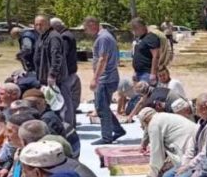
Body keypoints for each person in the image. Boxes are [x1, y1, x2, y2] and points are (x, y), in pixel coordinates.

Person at [84, 16, 124, 144]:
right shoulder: (106, 36)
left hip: (105, 79)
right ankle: (117, 130)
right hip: (108, 77)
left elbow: (103, 59)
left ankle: (106, 137)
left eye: (86, 28)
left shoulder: (103, 38)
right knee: (103, 107)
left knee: (101, 108)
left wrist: (95, 78)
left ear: (92, 25)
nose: (85, 31)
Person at [141, 106, 199, 177]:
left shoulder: (154, 123)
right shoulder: (163, 116)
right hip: (196, 142)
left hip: (189, 149)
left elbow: (156, 150)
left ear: (145, 120)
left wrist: (153, 172)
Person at [51, 17, 81, 128]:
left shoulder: (64, 37)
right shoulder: (67, 35)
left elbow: (62, 55)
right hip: (69, 71)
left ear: (56, 27)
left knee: (65, 100)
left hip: (66, 73)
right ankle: (70, 123)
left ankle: (68, 124)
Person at [130, 17, 162, 83]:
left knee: (146, 93)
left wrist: (153, 73)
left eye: (135, 28)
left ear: (142, 27)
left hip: (147, 73)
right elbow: (138, 55)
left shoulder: (151, 37)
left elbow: (156, 56)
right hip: (139, 73)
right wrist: (135, 71)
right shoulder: (140, 39)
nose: (134, 31)